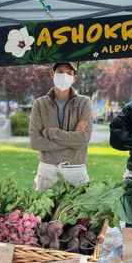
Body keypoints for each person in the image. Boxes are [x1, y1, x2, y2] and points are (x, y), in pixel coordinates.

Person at [29, 62, 93, 190]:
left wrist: (50, 132)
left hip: (76, 170)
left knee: (75, 209)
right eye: (60, 72)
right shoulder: (40, 104)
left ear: (74, 79)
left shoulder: (84, 102)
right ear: (52, 74)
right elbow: (35, 142)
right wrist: (72, 140)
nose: (64, 76)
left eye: (69, 73)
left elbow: (83, 140)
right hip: (47, 170)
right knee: (44, 209)